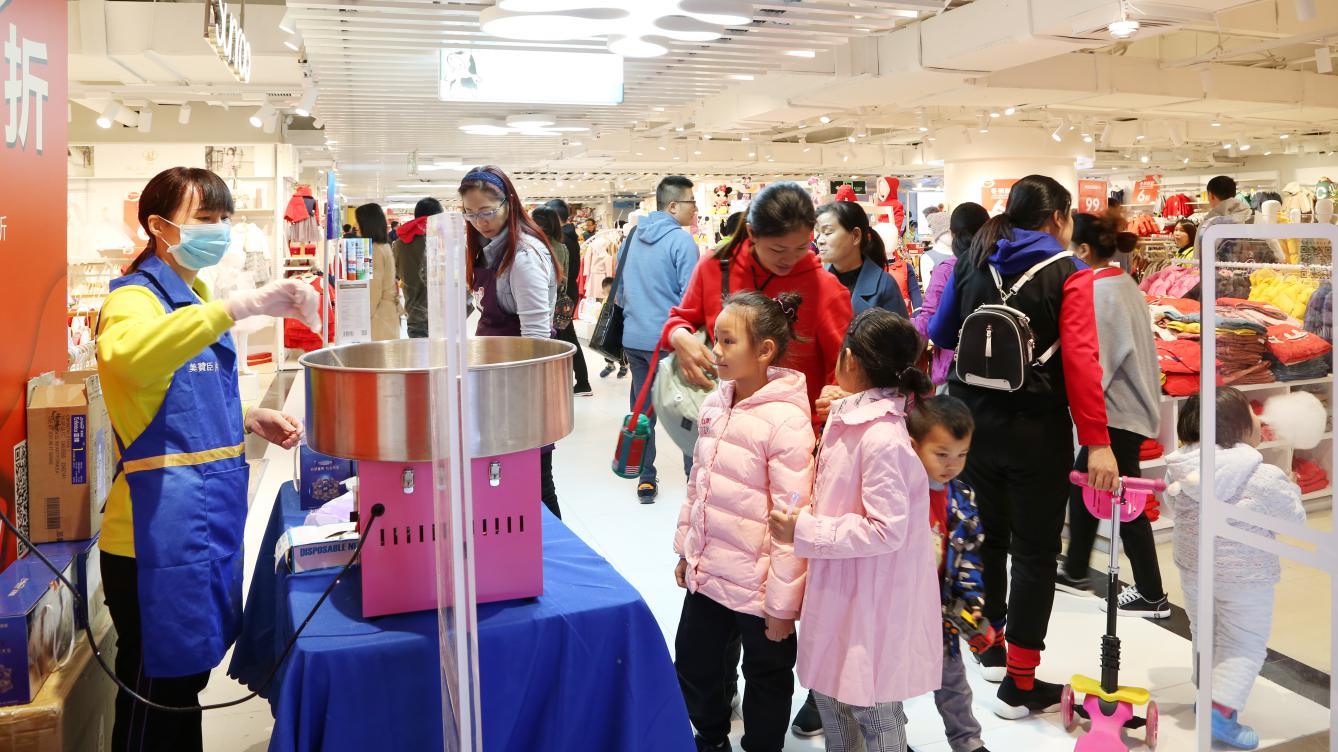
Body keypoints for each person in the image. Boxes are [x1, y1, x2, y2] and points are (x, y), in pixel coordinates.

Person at [96, 167, 319, 750]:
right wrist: (239, 307)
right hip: (150, 539)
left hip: (199, 524)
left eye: (224, 219)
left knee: (185, 683)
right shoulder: (133, 299)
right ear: (159, 226)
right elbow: (131, 360)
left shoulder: (191, 295)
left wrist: (247, 415)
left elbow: (174, 396)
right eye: (204, 218)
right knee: (155, 688)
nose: (218, 231)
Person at [928, 175, 1118, 717]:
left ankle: (989, 650)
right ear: (1058, 217)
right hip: (1037, 431)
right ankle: (1020, 683)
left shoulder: (973, 258)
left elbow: (941, 332)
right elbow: (1081, 362)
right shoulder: (1070, 273)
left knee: (986, 537)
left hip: (971, 426)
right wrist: (1098, 442)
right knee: (1034, 553)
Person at [769, 308, 940, 752]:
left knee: (873, 705)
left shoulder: (883, 438)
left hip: (873, 598)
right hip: (842, 585)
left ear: (848, 359)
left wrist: (805, 530)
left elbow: (886, 530)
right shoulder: (852, 421)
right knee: (833, 695)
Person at [674, 291, 813, 752]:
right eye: (715, 339)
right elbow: (698, 483)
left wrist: (782, 605)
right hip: (711, 570)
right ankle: (711, 738)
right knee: (693, 662)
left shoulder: (786, 422)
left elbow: (793, 519)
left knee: (767, 676)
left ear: (765, 351)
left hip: (760, 586)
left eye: (728, 341)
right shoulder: (716, 402)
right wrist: (686, 551)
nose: (715, 350)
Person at [1164, 388, 1306, 750]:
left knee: (1204, 632)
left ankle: (1207, 695)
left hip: (1194, 569)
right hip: (1246, 576)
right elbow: (1294, 521)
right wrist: (1291, 489)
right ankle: (1221, 710)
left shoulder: (1178, 468)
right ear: (1240, 428)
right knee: (1243, 641)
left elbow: (1174, 509)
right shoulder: (1262, 475)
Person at [663, 181, 853, 436]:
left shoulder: (825, 289)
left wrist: (836, 399)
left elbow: (843, 368)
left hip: (791, 436)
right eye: (778, 249)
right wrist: (679, 336)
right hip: (718, 424)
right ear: (752, 233)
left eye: (800, 247)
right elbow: (680, 319)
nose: (790, 259)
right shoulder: (715, 266)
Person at [1056, 214, 1169, 617]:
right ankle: (1075, 570)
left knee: (1121, 497)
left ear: (1084, 250)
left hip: (1118, 412)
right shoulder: (1123, 283)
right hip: (1128, 408)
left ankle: (1151, 593)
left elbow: (1096, 364)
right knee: (1090, 485)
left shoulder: (1100, 292)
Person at [459, 166, 562, 518]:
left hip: (521, 388)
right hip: (497, 383)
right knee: (509, 482)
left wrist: (523, 402)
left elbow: (536, 338)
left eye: (487, 211)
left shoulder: (523, 257)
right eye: (471, 214)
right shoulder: (487, 250)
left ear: (509, 203)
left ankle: (550, 550)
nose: (480, 222)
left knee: (535, 483)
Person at [908, 396, 991, 752]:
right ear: (914, 446)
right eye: (941, 454)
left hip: (942, 612)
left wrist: (972, 599)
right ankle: (892, 736)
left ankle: (967, 741)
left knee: (954, 683)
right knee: (893, 683)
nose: (952, 465)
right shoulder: (901, 493)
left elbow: (970, 551)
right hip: (901, 610)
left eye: (961, 455)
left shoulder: (962, 496)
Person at [621, 176, 703, 502]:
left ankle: (645, 478)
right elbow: (691, 299)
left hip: (634, 339)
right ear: (672, 206)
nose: (695, 209)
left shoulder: (632, 238)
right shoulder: (682, 241)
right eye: (691, 202)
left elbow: (620, 292)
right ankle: (694, 481)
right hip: (670, 341)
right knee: (686, 412)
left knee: (643, 411)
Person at [913, 203, 990, 388]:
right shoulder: (999, 266)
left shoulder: (949, 270)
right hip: (995, 368)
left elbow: (931, 324)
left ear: (953, 234)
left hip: (955, 368)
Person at [814, 200, 907, 318]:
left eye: (828, 232)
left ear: (856, 236)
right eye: (819, 233)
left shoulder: (884, 286)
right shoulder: (817, 282)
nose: (820, 241)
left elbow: (901, 330)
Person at [545, 199, 593, 396]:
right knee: (565, 336)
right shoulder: (567, 237)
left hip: (563, 295)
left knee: (567, 337)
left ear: (555, 218)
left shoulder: (563, 240)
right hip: (566, 294)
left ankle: (582, 382)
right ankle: (578, 381)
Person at [393, 197, 441, 338]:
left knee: (420, 351)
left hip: (415, 313)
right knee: (446, 352)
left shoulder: (399, 244)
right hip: (444, 314)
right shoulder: (445, 239)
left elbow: (397, 273)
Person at [354, 202, 402, 341]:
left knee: (377, 353)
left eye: (358, 222)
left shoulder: (373, 250)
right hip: (387, 312)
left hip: (379, 316)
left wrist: (360, 318)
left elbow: (373, 290)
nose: (356, 226)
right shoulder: (383, 246)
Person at [597, 277, 629, 379]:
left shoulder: (622, 301)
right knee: (606, 346)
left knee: (621, 349)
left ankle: (624, 366)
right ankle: (610, 365)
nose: (613, 296)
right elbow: (600, 315)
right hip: (609, 329)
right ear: (604, 293)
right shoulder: (606, 302)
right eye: (608, 293)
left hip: (620, 329)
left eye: (614, 293)